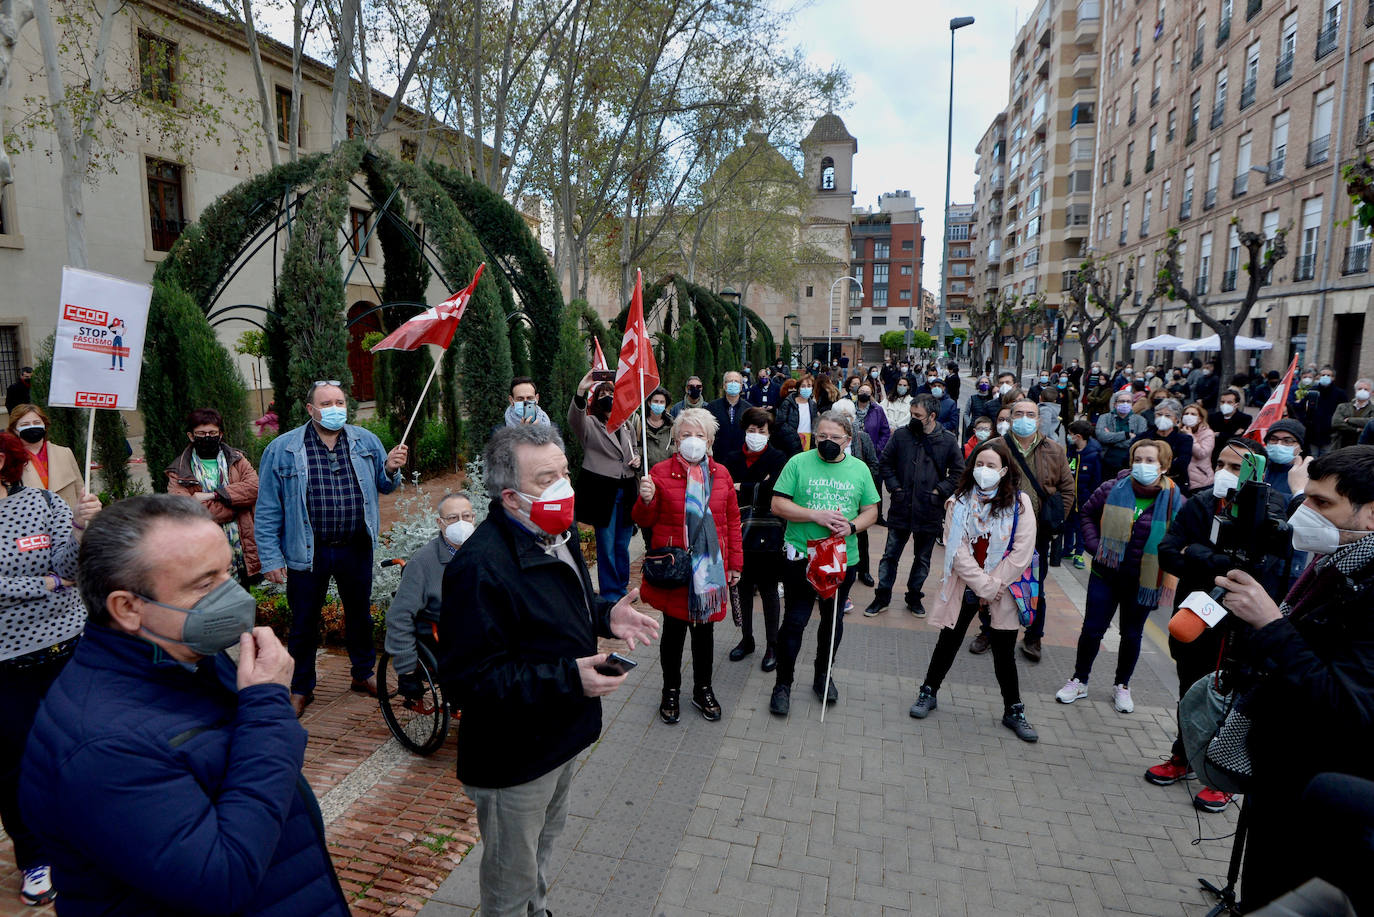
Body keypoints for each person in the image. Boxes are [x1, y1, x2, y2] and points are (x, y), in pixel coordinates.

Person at [18, 494, 347, 916]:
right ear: (127, 607)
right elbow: (219, 880)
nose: (232, 596)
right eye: (205, 583)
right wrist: (266, 707)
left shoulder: (187, 656)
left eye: (227, 572)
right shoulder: (102, 746)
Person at [438, 425, 659, 917]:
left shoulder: (552, 532)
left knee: (541, 850)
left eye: (564, 472)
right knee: (509, 880)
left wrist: (605, 615)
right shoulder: (480, 568)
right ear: (511, 496)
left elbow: (560, 607)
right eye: (547, 478)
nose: (564, 485)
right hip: (514, 758)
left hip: (560, 738)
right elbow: (467, 681)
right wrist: (569, 678)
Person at [1203, 446, 1374, 909]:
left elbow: (1350, 709)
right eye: (1306, 498)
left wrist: (1271, 626)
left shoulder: (1366, 585)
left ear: (1371, 513)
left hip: (1317, 792)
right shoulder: (1335, 562)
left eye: (1322, 504)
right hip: (1278, 770)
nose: (1306, 512)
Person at [1148, 437, 1292, 813]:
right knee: (1189, 690)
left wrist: (1197, 555)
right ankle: (1182, 758)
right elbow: (1168, 551)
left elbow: (1259, 566)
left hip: (1243, 625)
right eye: (1221, 464)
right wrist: (1216, 560)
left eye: (1236, 466)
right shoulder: (1199, 503)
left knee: (1234, 696)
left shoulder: (1272, 509)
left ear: (1255, 472)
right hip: (1197, 614)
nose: (1226, 473)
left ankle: (1224, 777)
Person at [255, 381, 407, 716]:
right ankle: (301, 687)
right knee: (304, 621)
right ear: (310, 409)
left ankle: (363, 673)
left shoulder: (366, 441)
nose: (335, 408)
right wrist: (270, 557)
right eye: (326, 403)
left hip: (355, 545)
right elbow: (267, 509)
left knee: (359, 614)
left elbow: (385, 484)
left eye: (339, 401)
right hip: (308, 550)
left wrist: (391, 468)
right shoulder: (282, 449)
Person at [0, 432, 100, 906]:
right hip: (6, 665)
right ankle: (35, 857)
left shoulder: (41, 501)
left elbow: (74, 568)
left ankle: (90, 838)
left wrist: (81, 530)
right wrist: (43, 582)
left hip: (68, 649)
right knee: (15, 766)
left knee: (81, 748)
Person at [908, 440, 1039, 742]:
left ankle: (1013, 709)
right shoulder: (959, 501)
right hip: (968, 585)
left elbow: (1021, 552)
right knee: (948, 640)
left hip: (1002, 589)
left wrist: (993, 586)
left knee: (1004, 651)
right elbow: (956, 550)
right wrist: (982, 585)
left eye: (991, 466)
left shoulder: (1020, 504)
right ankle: (929, 691)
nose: (984, 471)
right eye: (979, 464)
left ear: (1004, 470)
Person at [1056, 439, 1184, 713]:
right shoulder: (1112, 487)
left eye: (1150, 461)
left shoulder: (1175, 500)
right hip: (1106, 573)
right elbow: (1086, 513)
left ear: (1163, 466)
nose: (1142, 465)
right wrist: (1094, 546)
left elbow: (1181, 538)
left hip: (1143, 581)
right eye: (1138, 459)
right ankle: (1079, 679)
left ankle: (1122, 685)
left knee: (1132, 635)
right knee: (1092, 629)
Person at [767, 412, 879, 716]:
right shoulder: (798, 463)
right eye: (822, 437)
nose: (827, 443)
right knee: (795, 621)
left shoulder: (859, 469)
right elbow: (778, 504)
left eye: (834, 438)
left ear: (848, 440)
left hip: (841, 558)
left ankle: (823, 676)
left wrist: (852, 526)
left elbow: (871, 510)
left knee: (833, 623)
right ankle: (783, 684)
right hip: (801, 555)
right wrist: (815, 515)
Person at [635, 409, 742, 724]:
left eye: (699, 435)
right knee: (673, 635)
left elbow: (733, 521)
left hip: (708, 572)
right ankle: (670, 690)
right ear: (675, 438)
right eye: (685, 435)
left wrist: (735, 562)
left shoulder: (721, 474)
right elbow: (644, 520)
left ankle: (702, 689)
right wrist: (646, 499)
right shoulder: (659, 472)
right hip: (675, 571)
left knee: (704, 635)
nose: (692, 441)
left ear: (709, 441)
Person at [971, 399, 1075, 660]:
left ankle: (1033, 637)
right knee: (992, 580)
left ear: (1039, 420)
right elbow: (972, 481)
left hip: (1037, 533)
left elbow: (1067, 489)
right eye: (1019, 414)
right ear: (1009, 418)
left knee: (1034, 585)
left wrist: (1053, 520)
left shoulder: (1054, 449)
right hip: (996, 531)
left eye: (1031, 414)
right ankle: (988, 631)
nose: (1025, 419)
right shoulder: (994, 447)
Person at [865, 395, 965, 617]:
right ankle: (882, 597)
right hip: (901, 507)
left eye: (917, 416)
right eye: (911, 414)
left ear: (932, 416)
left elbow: (959, 473)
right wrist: (895, 489)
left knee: (922, 558)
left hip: (929, 509)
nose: (913, 418)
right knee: (890, 555)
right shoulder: (902, 435)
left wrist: (939, 491)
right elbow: (886, 463)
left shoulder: (947, 440)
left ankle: (914, 597)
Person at [385, 492, 476, 694]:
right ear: (440, 523)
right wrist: (407, 670)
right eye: (453, 518)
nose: (462, 523)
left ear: (474, 518)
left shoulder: (484, 552)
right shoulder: (422, 563)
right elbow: (399, 615)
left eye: (466, 516)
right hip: (447, 638)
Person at [567, 373, 641, 602]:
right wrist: (581, 391)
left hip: (627, 489)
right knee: (606, 545)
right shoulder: (590, 424)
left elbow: (634, 449)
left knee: (622, 544)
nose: (608, 397)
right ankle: (610, 593)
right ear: (596, 399)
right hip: (602, 493)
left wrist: (637, 460)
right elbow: (574, 419)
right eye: (603, 394)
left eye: (612, 393)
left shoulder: (627, 424)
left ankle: (621, 586)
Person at [723, 408, 788, 672]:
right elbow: (727, 490)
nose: (756, 435)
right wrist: (757, 486)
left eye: (762, 431)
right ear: (744, 431)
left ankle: (773, 644)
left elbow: (774, 491)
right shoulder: (732, 457)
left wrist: (743, 487)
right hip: (738, 533)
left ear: (769, 433)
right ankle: (746, 639)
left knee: (770, 591)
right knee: (742, 589)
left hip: (768, 534)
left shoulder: (778, 457)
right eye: (752, 430)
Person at [165, 408, 261, 584]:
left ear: (220, 434)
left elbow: (254, 487)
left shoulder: (237, 460)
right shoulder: (179, 470)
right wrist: (236, 504)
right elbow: (185, 508)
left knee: (242, 596)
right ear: (191, 436)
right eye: (201, 433)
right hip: (204, 547)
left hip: (241, 546)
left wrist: (214, 495)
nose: (207, 437)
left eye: (212, 432)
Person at [831, 399, 881, 593]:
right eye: (841, 416)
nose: (846, 420)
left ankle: (864, 570)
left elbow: (874, 463)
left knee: (861, 533)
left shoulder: (862, 437)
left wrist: (863, 486)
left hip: (858, 496)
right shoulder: (830, 439)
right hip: (834, 496)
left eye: (849, 416)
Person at [8, 404, 82, 511]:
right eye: (25, 424)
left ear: (45, 425)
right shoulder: (10, 459)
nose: (32, 426)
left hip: (68, 521)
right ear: (14, 430)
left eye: (37, 422)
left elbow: (80, 490)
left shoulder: (65, 452)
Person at [1065, 419, 1103, 569]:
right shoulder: (1071, 450)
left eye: (1070, 434)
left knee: (1081, 526)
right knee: (1068, 524)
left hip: (1084, 498)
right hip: (1070, 497)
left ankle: (1079, 553)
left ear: (1078, 436)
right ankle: (1067, 549)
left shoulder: (1094, 454)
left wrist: (1088, 494)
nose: (1068, 437)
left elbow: (1096, 478)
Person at [1293, 366, 1346, 456]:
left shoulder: (1340, 394)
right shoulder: (1312, 391)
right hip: (1312, 432)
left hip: (1329, 434)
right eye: (1323, 375)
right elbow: (1300, 408)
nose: (1325, 377)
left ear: (1333, 378)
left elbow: (1343, 411)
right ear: (1319, 376)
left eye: (1328, 375)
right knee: (1311, 458)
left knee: (1325, 458)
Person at [1096, 389, 1147, 476]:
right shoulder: (1104, 418)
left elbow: (1139, 441)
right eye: (1122, 401)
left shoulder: (1140, 420)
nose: (1125, 404)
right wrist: (1126, 435)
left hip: (1130, 459)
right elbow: (1101, 436)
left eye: (1128, 401)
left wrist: (1112, 440)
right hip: (1108, 459)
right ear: (1115, 404)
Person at [705, 371, 753, 460]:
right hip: (717, 457)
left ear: (741, 386)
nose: (733, 384)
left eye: (736, 381)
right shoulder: (712, 407)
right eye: (730, 381)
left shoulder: (749, 409)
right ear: (724, 386)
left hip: (741, 458)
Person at [775, 374, 819, 455]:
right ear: (798, 388)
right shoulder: (788, 403)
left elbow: (815, 424)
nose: (806, 388)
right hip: (792, 441)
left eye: (809, 385)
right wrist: (793, 438)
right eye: (803, 386)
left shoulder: (813, 405)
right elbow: (780, 423)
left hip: (809, 441)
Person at [1208, 388, 1253, 463]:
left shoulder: (1245, 419)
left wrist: (1219, 434)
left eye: (1229, 402)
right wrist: (1231, 433)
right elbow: (1209, 436)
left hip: (1233, 455)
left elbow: (1238, 439)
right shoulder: (1212, 417)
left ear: (1237, 405)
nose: (1225, 404)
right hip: (1213, 455)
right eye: (1222, 402)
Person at [1330, 378, 1374, 451]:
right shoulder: (1343, 406)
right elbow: (1336, 423)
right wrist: (1356, 429)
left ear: (1372, 393)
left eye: (1366, 389)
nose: (1362, 391)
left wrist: (1350, 420)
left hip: (1362, 449)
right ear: (1355, 391)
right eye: (1359, 389)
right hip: (1340, 445)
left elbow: (1370, 422)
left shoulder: (1372, 409)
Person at [1180, 402, 1215, 492]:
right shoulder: (1179, 432)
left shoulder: (1207, 433)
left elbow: (1202, 453)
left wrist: (1190, 436)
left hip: (1201, 480)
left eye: (1193, 414)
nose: (1189, 416)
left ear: (1200, 419)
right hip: (1181, 479)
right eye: (1186, 414)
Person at [641, 387, 675, 472]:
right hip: (645, 472)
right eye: (655, 401)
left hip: (666, 473)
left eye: (662, 402)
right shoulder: (640, 423)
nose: (658, 404)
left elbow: (676, 446)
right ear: (649, 403)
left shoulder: (672, 425)